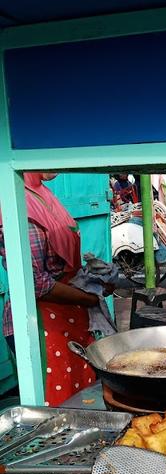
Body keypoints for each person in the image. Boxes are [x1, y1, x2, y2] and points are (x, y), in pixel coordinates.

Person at [0, 172, 106, 405]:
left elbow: (64, 268)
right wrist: (89, 298)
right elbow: (35, 282)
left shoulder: (44, 193)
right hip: (40, 324)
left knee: (82, 400)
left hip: (68, 318)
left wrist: (96, 281)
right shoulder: (20, 203)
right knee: (57, 408)